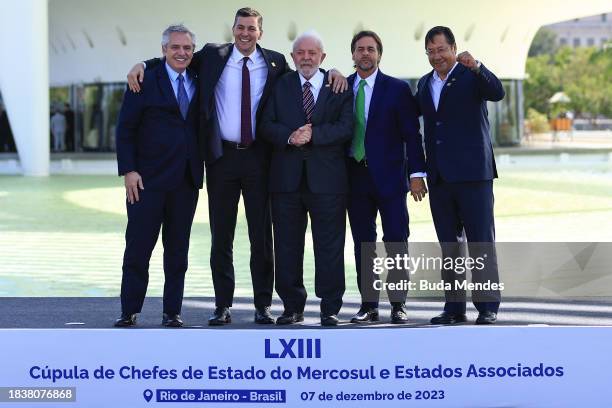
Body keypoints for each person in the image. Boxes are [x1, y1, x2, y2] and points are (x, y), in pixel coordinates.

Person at [126, 8, 347, 326]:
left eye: (252, 28)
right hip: (221, 159)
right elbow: (177, 58)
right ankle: (222, 305)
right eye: (240, 27)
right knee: (222, 236)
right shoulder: (213, 55)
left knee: (262, 237)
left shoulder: (275, 62)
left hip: (260, 158)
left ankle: (263, 305)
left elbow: (308, 68)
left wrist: (334, 71)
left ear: (261, 33)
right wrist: (142, 65)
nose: (245, 33)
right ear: (233, 29)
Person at [260, 31, 353, 326]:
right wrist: (289, 136)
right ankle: (292, 307)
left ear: (323, 58)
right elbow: (265, 124)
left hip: (328, 182)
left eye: (313, 53)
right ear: (292, 58)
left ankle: (329, 308)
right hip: (286, 182)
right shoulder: (280, 85)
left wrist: (314, 134)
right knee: (287, 246)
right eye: (300, 53)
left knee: (330, 246)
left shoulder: (338, 85)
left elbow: (346, 127)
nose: (306, 58)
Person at [114, 24, 203, 328]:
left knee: (178, 252)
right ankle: (129, 311)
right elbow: (125, 128)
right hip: (146, 181)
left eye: (187, 48)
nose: (182, 53)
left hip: (185, 181)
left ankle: (172, 312)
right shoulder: (144, 79)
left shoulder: (199, 78)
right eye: (175, 47)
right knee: (138, 248)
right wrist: (128, 170)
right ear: (164, 49)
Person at [415, 26, 504, 325]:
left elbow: (497, 91)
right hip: (439, 177)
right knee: (449, 246)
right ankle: (454, 308)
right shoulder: (424, 84)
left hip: (473, 175)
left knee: (481, 242)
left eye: (441, 49)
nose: (436, 56)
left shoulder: (471, 75)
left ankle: (487, 306)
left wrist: (478, 66)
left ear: (454, 48)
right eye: (431, 51)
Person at [346, 31, 427, 324]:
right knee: (363, 244)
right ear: (352, 54)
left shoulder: (397, 89)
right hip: (354, 178)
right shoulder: (342, 87)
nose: (365, 54)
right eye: (360, 49)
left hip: (391, 178)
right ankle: (369, 305)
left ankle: (398, 304)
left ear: (379, 54)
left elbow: (412, 135)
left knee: (396, 240)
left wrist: (417, 173)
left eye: (370, 49)